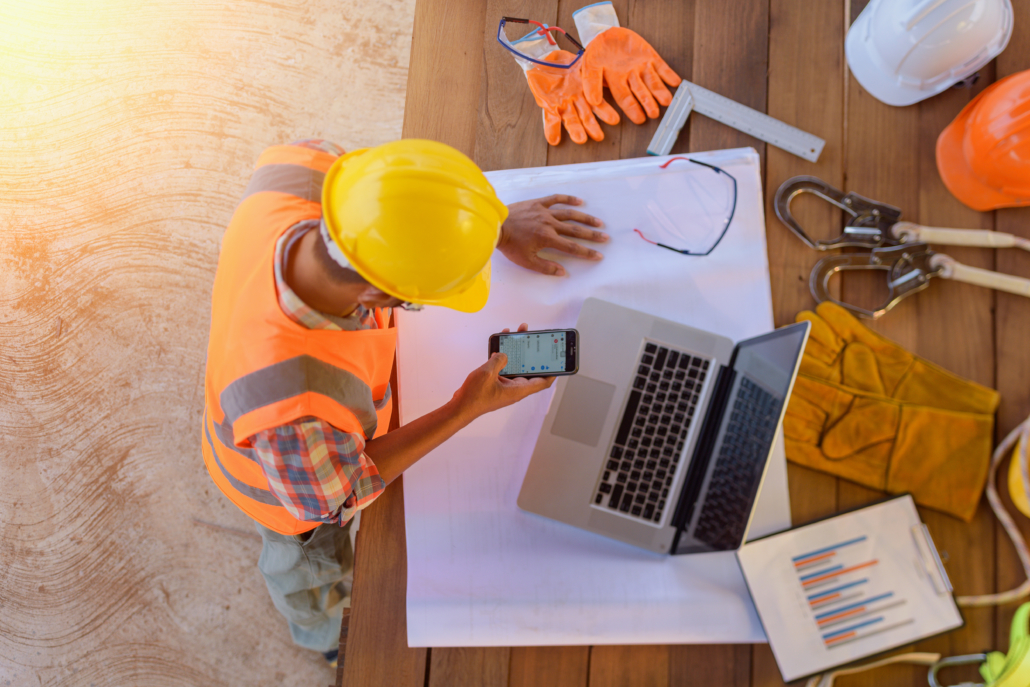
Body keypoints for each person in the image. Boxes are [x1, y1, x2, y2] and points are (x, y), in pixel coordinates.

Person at [201, 138, 608, 665]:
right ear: (380, 296)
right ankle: (322, 634)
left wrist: (495, 227)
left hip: (291, 408)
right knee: (308, 573)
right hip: (286, 491)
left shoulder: (301, 168)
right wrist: (464, 408)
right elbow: (338, 498)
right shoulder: (295, 412)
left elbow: (401, 200)